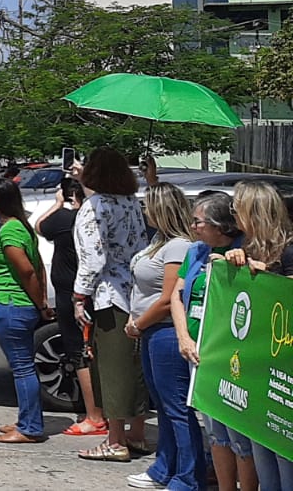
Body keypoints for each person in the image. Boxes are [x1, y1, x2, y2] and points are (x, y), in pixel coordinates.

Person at [72, 147, 150, 462]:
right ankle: (137, 434)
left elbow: (93, 258)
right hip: (137, 293)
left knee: (111, 367)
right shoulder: (132, 203)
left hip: (109, 295)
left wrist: (80, 295)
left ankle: (115, 441)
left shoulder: (93, 206)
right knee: (134, 367)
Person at [125, 182, 203, 491]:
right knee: (163, 404)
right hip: (150, 331)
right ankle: (165, 467)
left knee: (177, 408)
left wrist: (138, 323)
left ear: (162, 209)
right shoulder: (159, 240)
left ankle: (188, 476)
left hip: (167, 333)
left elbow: (167, 298)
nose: (144, 211)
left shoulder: (179, 246)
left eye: (148, 205)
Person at [175, 192, 255, 491]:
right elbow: (176, 294)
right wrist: (183, 336)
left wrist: (240, 261)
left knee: (238, 436)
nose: (193, 227)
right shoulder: (195, 251)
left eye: (198, 222)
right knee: (215, 434)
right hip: (198, 353)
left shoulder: (242, 250)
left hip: (230, 357)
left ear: (220, 226)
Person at [222, 181, 293, 489]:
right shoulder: (246, 246)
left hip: (283, 376)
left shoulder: (289, 251)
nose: (232, 211)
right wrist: (230, 265)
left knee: (283, 458)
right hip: (257, 371)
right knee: (261, 451)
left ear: (252, 210)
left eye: (236, 205)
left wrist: (266, 276)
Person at [32, 175, 107, 438]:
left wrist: (57, 203)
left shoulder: (66, 220)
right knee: (99, 352)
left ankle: (94, 417)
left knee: (79, 354)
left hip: (72, 295)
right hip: (99, 294)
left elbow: (40, 226)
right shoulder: (98, 217)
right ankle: (106, 410)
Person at [0, 179, 55, 444]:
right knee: (23, 365)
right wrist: (40, 303)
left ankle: (30, 427)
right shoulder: (18, 227)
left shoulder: (11, 230)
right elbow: (38, 267)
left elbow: (27, 269)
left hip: (13, 305)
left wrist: (40, 304)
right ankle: (26, 418)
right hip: (19, 305)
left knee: (22, 368)